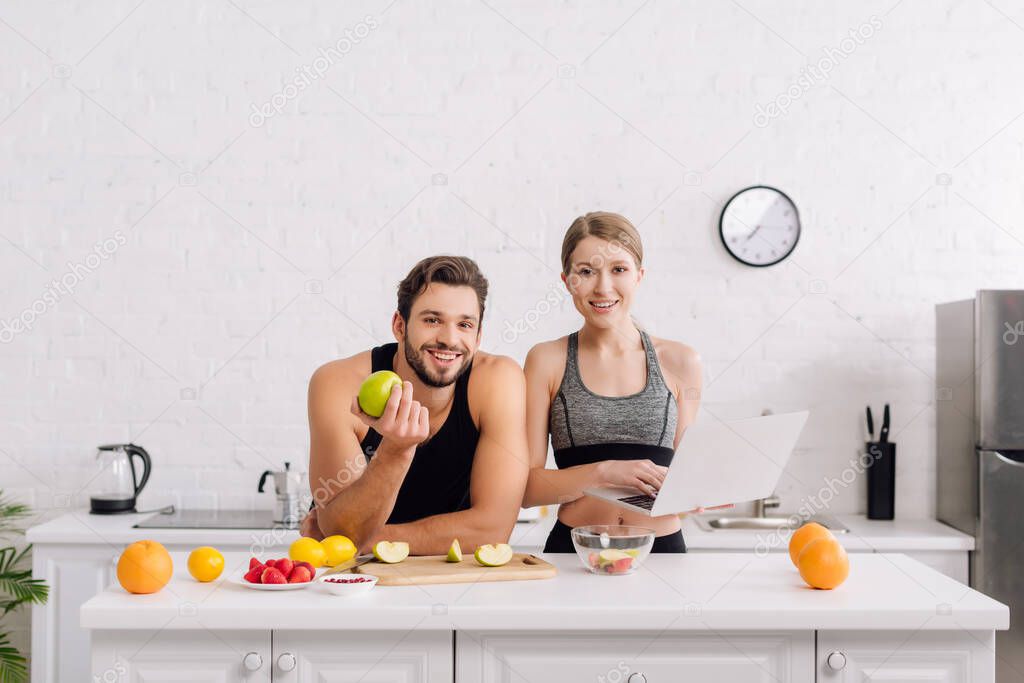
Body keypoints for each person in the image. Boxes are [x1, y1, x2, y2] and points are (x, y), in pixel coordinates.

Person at [300, 255, 529, 555]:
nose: (449, 339)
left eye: (464, 324)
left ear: (478, 336)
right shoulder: (337, 383)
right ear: (399, 325)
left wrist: (364, 540)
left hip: (448, 575)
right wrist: (395, 451)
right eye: (432, 320)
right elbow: (342, 530)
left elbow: (492, 530)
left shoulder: (499, 380)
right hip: (352, 581)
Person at [522, 211, 711, 553]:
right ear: (568, 281)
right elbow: (527, 489)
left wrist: (701, 491)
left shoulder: (682, 361)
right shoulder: (546, 360)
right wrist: (605, 472)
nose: (603, 287)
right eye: (586, 271)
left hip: (662, 553)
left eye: (618, 270)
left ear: (639, 276)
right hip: (575, 553)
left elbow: (685, 483)